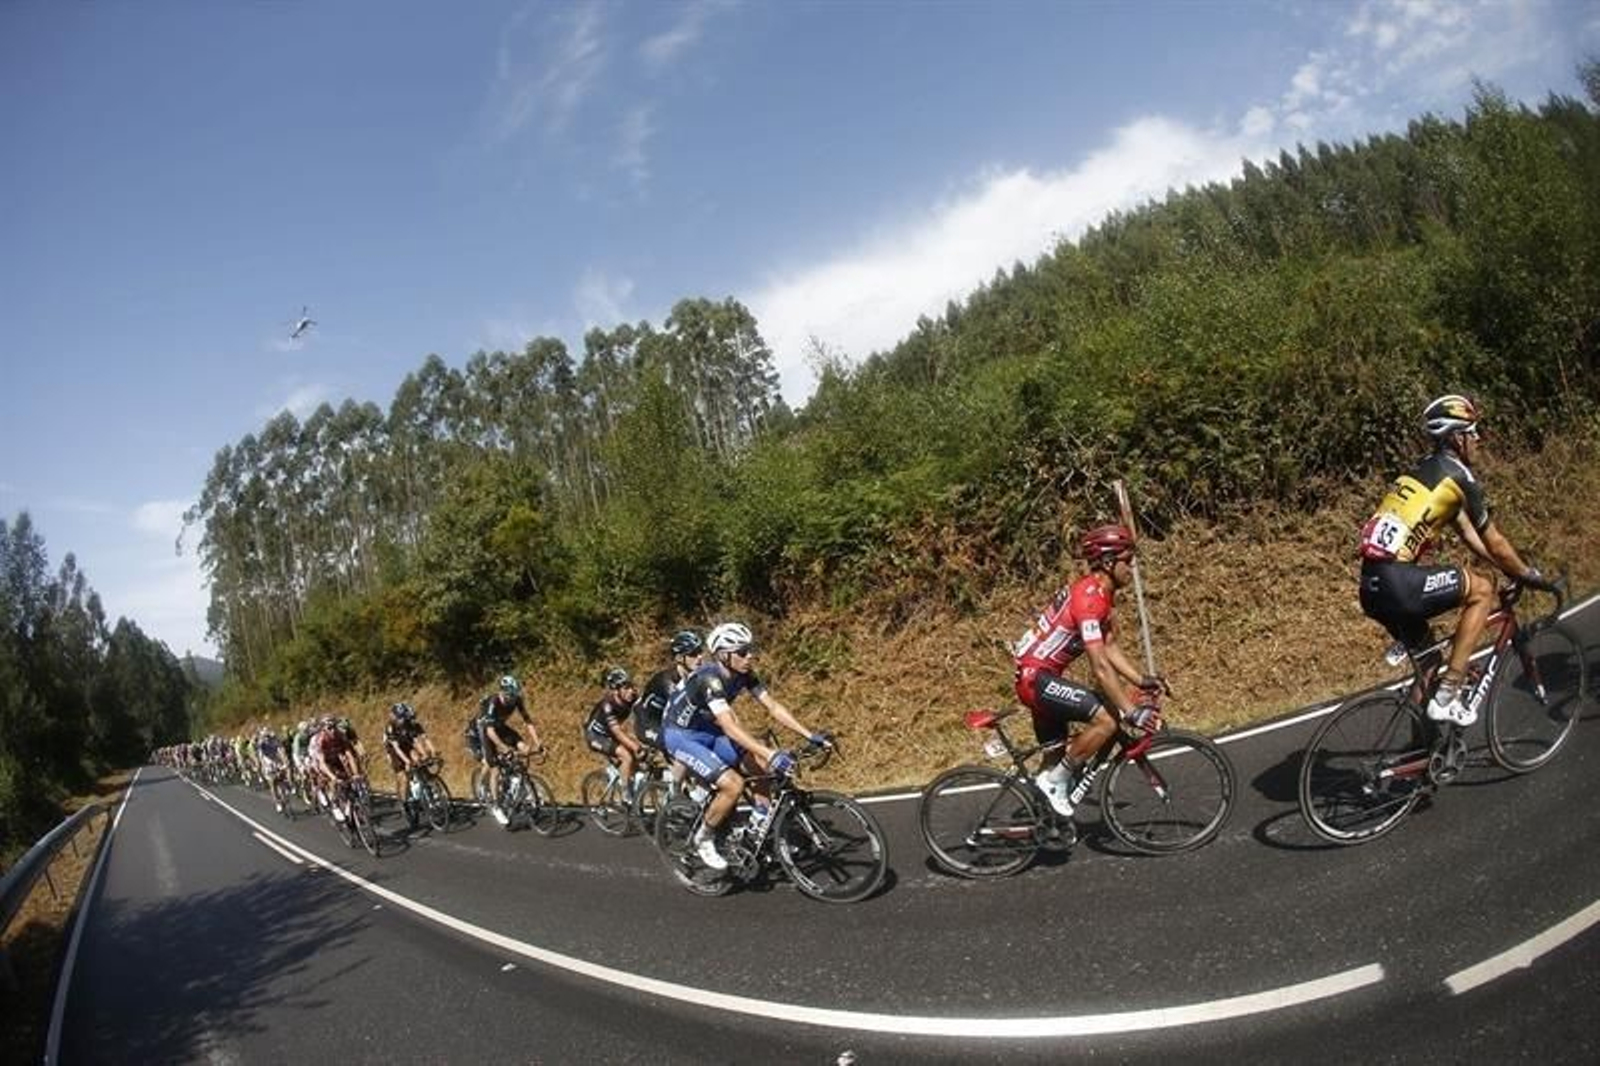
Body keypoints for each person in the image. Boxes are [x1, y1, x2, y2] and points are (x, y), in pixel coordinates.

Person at [1358, 393, 1547, 726]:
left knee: (1428, 664)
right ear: (1456, 437)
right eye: (1472, 431)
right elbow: (1496, 542)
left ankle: (1422, 755)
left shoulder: (1425, 471)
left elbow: (1467, 532)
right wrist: (1527, 573)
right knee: (1483, 590)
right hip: (1399, 581)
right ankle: (1449, 692)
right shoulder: (1459, 476)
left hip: (1372, 587)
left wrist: (1506, 566)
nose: (1478, 439)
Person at [1013, 523, 1164, 818]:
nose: (1130, 567)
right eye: (1126, 560)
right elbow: (1100, 666)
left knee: (1054, 758)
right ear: (1108, 562)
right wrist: (1129, 710)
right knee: (1108, 718)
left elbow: (1109, 647)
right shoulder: (1089, 598)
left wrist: (1142, 680)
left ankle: (1044, 825)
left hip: (1039, 677)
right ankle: (1055, 783)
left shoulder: (1100, 595)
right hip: (1036, 679)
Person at [661, 622, 830, 871]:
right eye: (742, 652)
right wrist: (771, 753)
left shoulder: (744, 674)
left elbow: (772, 706)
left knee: (761, 764)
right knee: (734, 784)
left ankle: (759, 822)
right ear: (723, 655)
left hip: (707, 730)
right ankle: (704, 838)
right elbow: (729, 727)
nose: (749, 656)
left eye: (750, 649)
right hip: (681, 735)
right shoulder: (709, 679)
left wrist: (809, 734)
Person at [477, 675, 545, 824]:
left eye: (515, 695)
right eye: (511, 696)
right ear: (503, 692)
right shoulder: (493, 701)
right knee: (494, 768)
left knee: (524, 749)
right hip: (486, 730)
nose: (513, 699)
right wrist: (504, 748)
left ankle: (520, 782)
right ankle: (496, 805)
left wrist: (537, 742)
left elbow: (528, 721)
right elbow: (490, 731)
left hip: (500, 727)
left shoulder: (516, 700)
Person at [583, 668, 646, 799]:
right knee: (626, 756)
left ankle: (622, 778)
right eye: (626, 688)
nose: (631, 691)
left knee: (635, 758)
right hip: (595, 736)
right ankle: (625, 794)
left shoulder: (632, 698)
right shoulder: (608, 705)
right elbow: (617, 732)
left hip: (609, 734)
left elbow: (644, 715)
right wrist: (635, 746)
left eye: (632, 687)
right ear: (616, 690)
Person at [383, 702, 439, 807]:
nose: (402, 720)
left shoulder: (408, 723)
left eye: (403, 718)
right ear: (394, 717)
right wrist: (407, 761)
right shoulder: (390, 727)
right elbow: (396, 748)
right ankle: (405, 803)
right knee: (403, 776)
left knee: (418, 760)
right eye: (399, 718)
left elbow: (417, 741)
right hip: (393, 749)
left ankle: (423, 785)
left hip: (406, 745)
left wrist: (429, 753)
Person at [309, 714, 364, 818]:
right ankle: (334, 804)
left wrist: (356, 774)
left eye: (334, 727)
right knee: (333, 781)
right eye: (329, 728)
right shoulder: (321, 739)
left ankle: (350, 806)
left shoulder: (340, 735)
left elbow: (349, 755)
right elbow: (322, 763)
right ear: (324, 729)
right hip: (322, 761)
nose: (333, 730)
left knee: (348, 780)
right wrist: (333, 777)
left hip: (335, 758)